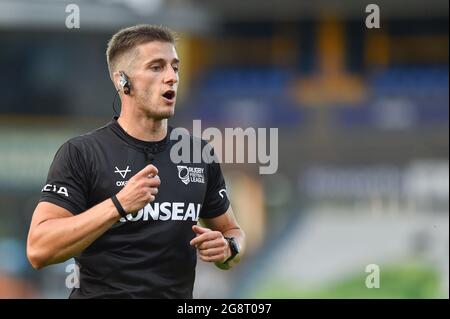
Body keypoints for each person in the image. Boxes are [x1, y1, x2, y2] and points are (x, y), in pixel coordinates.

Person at [26, 24, 245, 299]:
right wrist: (119, 205)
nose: (171, 77)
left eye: (175, 67)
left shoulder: (197, 153)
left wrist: (228, 249)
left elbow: (233, 232)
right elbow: (39, 250)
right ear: (122, 81)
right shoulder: (81, 153)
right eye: (156, 67)